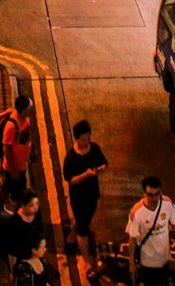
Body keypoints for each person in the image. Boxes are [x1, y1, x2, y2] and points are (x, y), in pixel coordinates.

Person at [126, 176, 175, 285]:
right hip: (147, 261)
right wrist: (131, 263)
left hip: (164, 258)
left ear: (161, 191)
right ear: (144, 193)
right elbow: (132, 239)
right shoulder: (137, 212)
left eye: (157, 194)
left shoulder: (167, 203)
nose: (154, 198)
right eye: (150, 195)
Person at [62, 119, 107, 278]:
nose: (86, 142)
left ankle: (72, 236)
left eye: (88, 139)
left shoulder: (94, 149)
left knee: (86, 220)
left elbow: (104, 162)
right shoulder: (71, 158)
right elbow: (70, 180)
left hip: (92, 194)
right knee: (83, 228)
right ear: (76, 139)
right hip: (78, 197)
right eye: (83, 140)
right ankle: (88, 262)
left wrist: (100, 168)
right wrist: (85, 175)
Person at [0, 93, 33, 215]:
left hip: (22, 163)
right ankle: (17, 212)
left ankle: (0, 207)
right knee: (19, 190)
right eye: (29, 108)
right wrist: (13, 170)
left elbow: (27, 137)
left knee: (7, 186)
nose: (31, 110)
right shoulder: (11, 126)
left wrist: (32, 152)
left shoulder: (26, 120)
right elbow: (6, 149)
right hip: (13, 166)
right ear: (22, 110)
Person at [0, 192, 41, 272]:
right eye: (31, 205)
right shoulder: (15, 224)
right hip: (17, 254)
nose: (35, 207)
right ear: (23, 206)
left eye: (37, 204)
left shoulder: (36, 215)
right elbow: (11, 251)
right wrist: (12, 270)